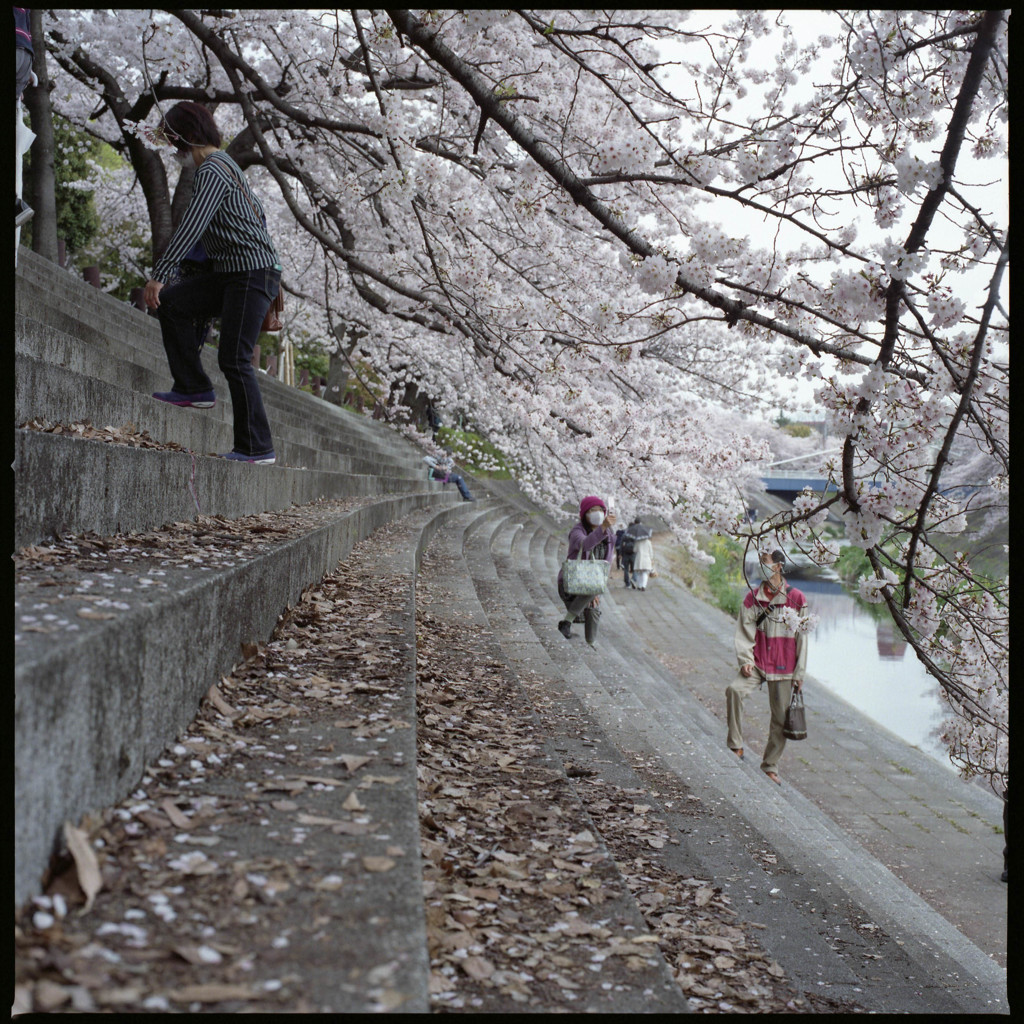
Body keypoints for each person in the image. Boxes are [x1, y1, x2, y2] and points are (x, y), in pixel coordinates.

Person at [143, 101, 282, 465]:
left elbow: (193, 224)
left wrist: (160, 274)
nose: (175, 154)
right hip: (232, 273)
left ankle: (257, 448)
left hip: (251, 273)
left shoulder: (214, 169)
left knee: (234, 358)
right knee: (173, 304)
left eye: (175, 144)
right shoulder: (225, 168)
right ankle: (193, 387)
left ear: (188, 138)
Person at [726, 549, 808, 785]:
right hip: (758, 663)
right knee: (734, 690)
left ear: (779, 566)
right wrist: (745, 660)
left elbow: (803, 638)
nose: (761, 565)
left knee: (781, 719)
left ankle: (770, 765)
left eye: (766, 562)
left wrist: (799, 672)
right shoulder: (752, 597)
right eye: (760, 561)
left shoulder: (797, 598)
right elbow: (744, 632)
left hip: (784, 666)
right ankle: (736, 745)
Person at [556, 496, 616, 646]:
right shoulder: (577, 531)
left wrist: (596, 591)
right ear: (584, 514)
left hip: (590, 582)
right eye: (592, 510)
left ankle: (590, 643)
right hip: (571, 581)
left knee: (594, 605)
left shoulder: (609, 535)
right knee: (592, 590)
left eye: (600, 510)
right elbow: (586, 544)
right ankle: (567, 622)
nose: (597, 513)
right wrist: (602, 528)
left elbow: (606, 564)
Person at [631, 525, 655, 590]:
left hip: (639, 558)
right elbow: (651, 552)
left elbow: (634, 550)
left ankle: (639, 585)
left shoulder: (637, 542)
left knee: (639, 573)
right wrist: (652, 559)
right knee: (645, 573)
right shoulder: (648, 542)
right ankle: (643, 586)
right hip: (647, 559)